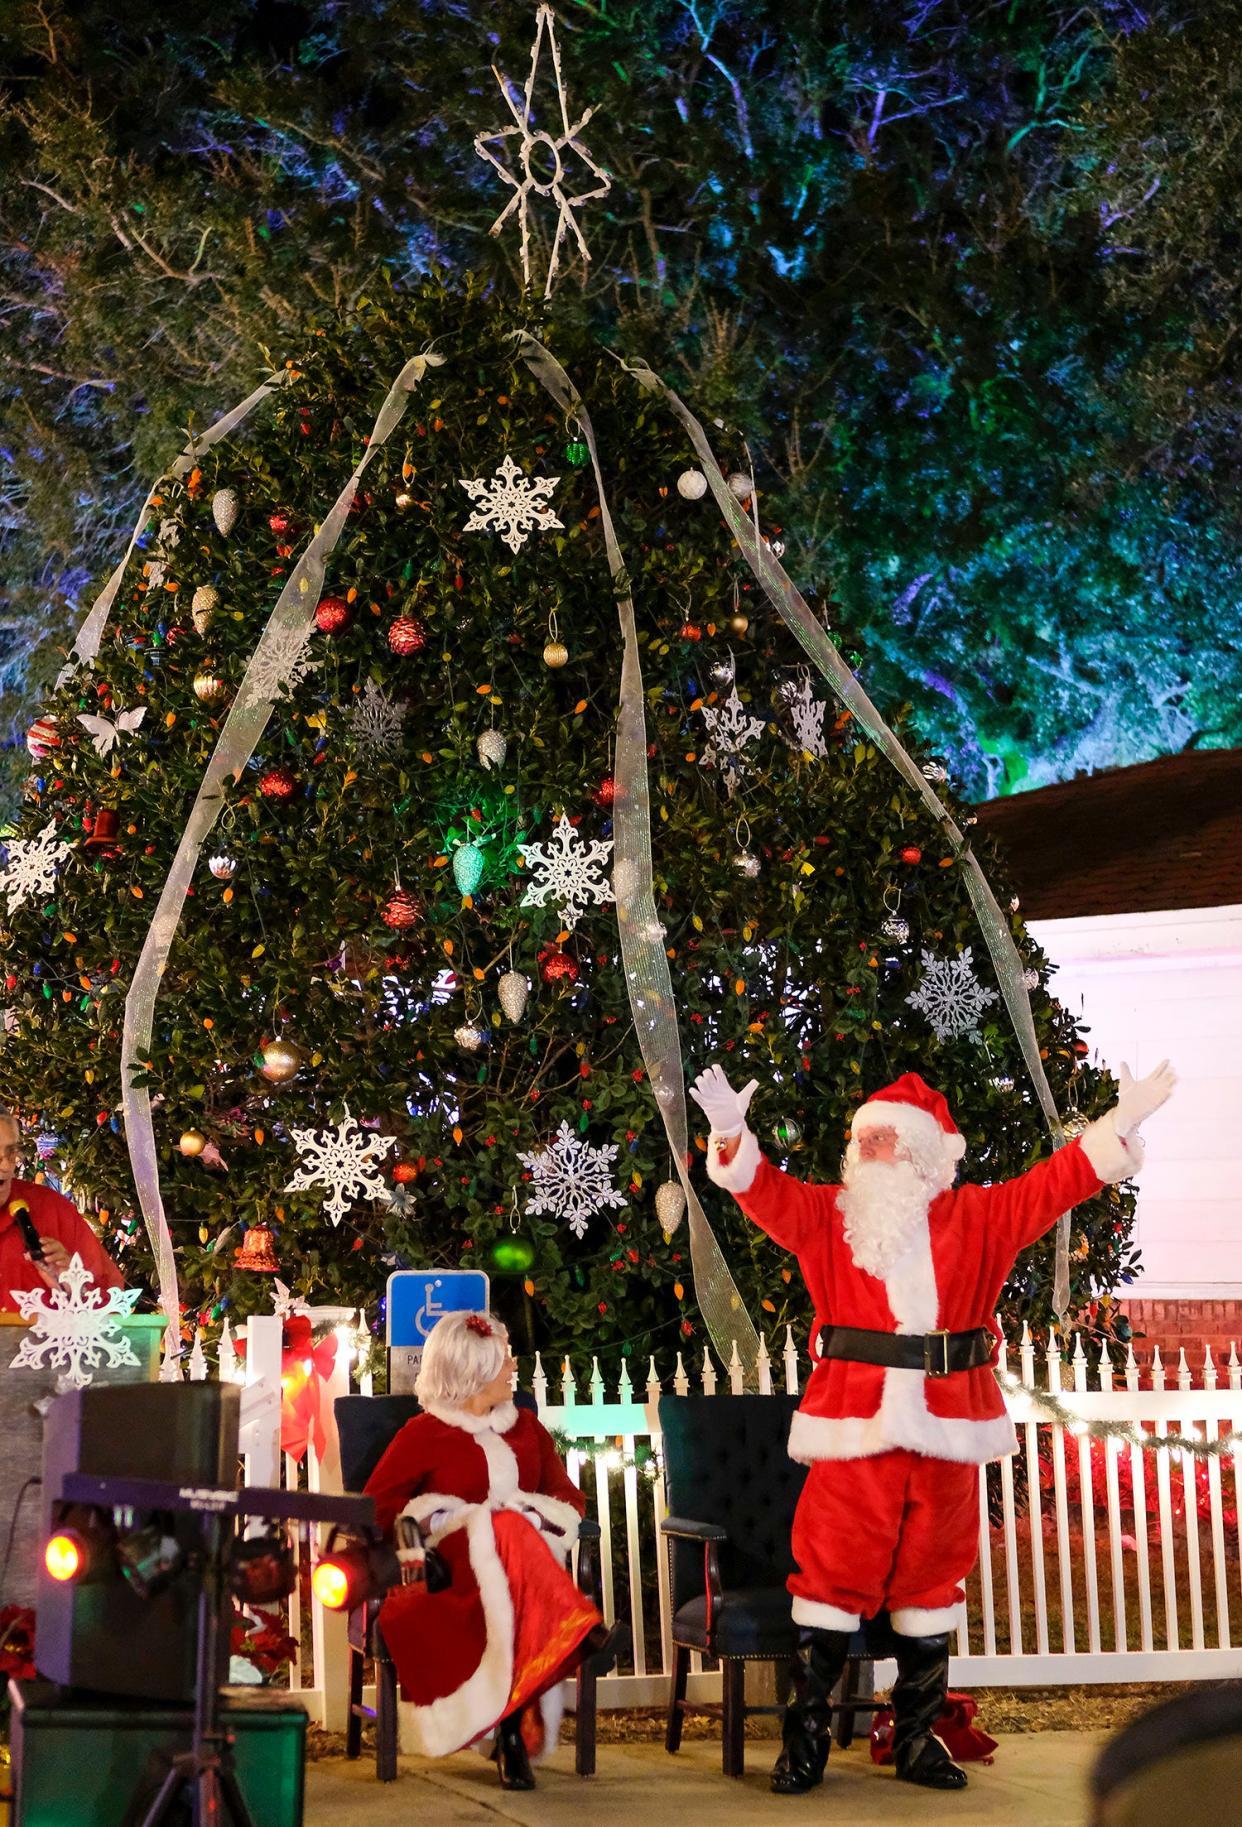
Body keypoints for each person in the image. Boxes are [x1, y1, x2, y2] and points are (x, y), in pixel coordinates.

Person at [690, 1059, 1176, 1796]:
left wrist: (1118, 1127)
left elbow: (1055, 1185)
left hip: (949, 1426)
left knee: (932, 1578)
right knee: (829, 1576)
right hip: (854, 1426)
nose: (874, 1150)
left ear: (926, 1153)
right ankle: (807, 1740)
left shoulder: (979, 1216)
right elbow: (763, 1191)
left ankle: (917, 1737)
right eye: (867, 1139)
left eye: (889, 1139)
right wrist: (731, 1132)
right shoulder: (828, 1215)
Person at [363, 1309, 613, 1788]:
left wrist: (530, 1514)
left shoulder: (527, 1429)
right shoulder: (424, 1433)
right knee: (498, 1523)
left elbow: (568, 1499)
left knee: (510, 1530)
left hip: (523, 1568)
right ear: (473, 1369)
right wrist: (437, 1517)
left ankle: (512, 1733)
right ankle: (575, 1626)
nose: (513, 1367)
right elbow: (378, 1507)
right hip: (455, 1571)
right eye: (504, 1358)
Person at [0, 1108, 125, 1311]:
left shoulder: (51, 1209)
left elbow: (111, 1307)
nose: (5, 1165)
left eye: (10, 1153)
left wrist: (74, 1284)